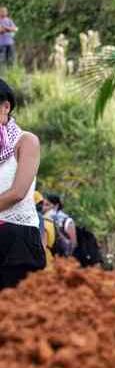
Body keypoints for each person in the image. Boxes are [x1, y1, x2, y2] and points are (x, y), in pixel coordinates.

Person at [0, 78, 45, 288]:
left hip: (18, 240)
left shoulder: (26, 141)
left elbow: (17, 193)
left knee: (16, 314)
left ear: (5, 106)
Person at [42, 193, 77, 257]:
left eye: (47, 205)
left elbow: (73, 243)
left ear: (56, 205)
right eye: (43, 205)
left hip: (62, 258)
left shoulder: (67, 221)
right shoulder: (42, 219)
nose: (43, 208)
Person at [34, 191, 56, 266]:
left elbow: (43, 244)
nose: (42, 206)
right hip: (49, 256)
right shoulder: (48, 220)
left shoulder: (40, 219)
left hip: (44, 257)